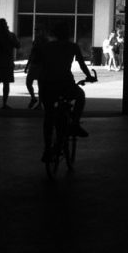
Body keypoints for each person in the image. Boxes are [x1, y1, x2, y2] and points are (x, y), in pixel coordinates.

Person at [33, 20, 97, 161]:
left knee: (49, 117)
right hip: (65, 84)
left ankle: (47, 149)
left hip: (48, 85)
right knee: (80, 95)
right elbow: (82, 64)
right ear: (68, 34)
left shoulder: (47, 47)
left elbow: (38, 64)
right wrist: (89, 76)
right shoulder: (72, 46)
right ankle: (75, 124)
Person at [0, 18, 20, 109]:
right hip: (1, 63)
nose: (5, 25)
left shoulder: (3, 35)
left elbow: (18, 45)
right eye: (4, 24)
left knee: (1, 83)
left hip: (3, 63)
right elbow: (18, 45)